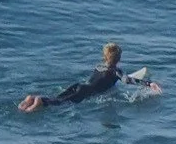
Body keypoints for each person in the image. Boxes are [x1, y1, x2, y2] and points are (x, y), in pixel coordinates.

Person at [18, 42, 156, 112]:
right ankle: (39, 102)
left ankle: (32, 98)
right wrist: (148, 84)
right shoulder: (116, 71)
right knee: (60, 104)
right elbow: (126, 80)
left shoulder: (98, 66)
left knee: (59, 98)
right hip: (86, 92)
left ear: (105, 57)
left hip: (78, 86)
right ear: (119, 58)